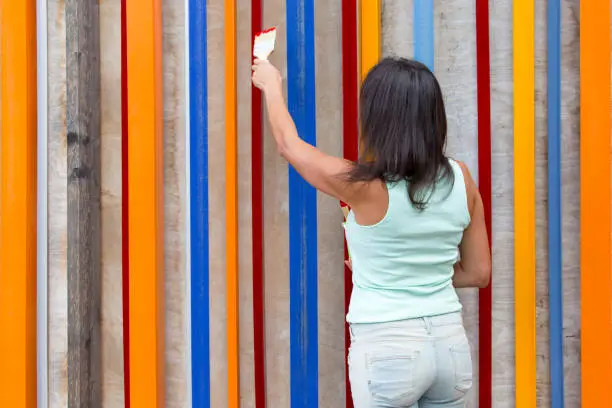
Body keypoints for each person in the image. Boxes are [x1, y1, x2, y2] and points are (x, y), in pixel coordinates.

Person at [251, 56, 491, 408]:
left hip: (389, 349)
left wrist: (271, 84)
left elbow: (290, 146)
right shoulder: (462, 178)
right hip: (449, 346)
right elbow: (479, 272)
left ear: (378, 120)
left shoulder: (365, 187)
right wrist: (417, 272)